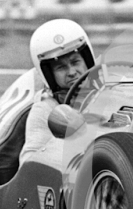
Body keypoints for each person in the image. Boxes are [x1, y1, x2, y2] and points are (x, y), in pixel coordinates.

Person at [19, 19, 95, 166]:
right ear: (49, 75)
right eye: (61, 68)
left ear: (87, 60)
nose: (72, 72)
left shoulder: (113, 87)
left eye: (75, 62)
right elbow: (29, 164)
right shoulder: (45, 109)